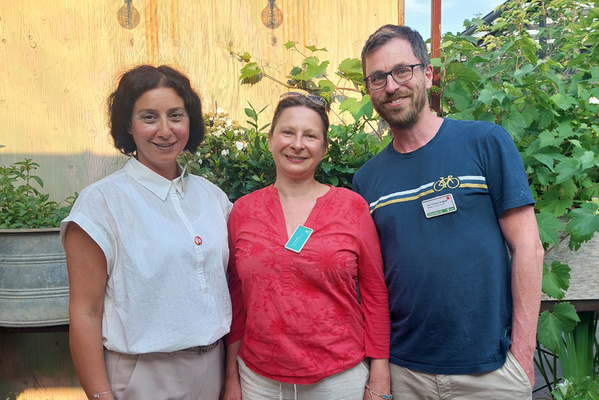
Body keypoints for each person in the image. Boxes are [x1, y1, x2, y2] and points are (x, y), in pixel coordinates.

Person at [353, 25, 545, 399]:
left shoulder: (485, 142)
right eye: (378, 78)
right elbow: (373, 282)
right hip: (406, 373)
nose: (391, 86)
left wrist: (523, 353)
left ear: (428, 74)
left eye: (402, 71)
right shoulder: (367, 180)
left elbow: (528, 248)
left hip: (490, 373)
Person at [61, 65, 232, 400]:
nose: (165, 131)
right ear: (128, 124)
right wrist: (100, 395)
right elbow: (85, 312)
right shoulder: (101, 203)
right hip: (143, 376)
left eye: (176, 116)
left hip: (213, 367)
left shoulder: (213, 197)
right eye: (149, 117)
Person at [223, 92, 391, 400]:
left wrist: (380, 376)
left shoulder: (351, 207)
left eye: (310, 136)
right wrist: (231, 376)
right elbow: (236, 298)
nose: (297, 144)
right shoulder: (243, 211)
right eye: (288, 132)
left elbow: (375, 294)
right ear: (270, 139)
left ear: (324, 148)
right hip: (258, 381)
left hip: (338, 380)